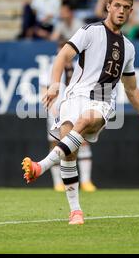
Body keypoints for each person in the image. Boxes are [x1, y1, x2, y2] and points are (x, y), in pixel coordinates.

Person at [21, 0, 139, 225]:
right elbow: (62, 57)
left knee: (86, 121)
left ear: (131, 11)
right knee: (69, 152)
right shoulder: (89, 31)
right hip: (74, 96)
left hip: (102, 100)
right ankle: (75, 211)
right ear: (108, 6)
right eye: (117, 5)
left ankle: (41, 166)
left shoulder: (128, 48)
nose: (121, 11)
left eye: (126, 8)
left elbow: (131, 89)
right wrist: (55, 85)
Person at [39, 40, 97, 192]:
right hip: (56, 110)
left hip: (77, 107)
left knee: (81, 141)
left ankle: (86, 181)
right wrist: (51, 107)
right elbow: (44, 89)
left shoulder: (81, 65)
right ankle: (58, 182)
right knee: (55, 143)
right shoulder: (51, 67)